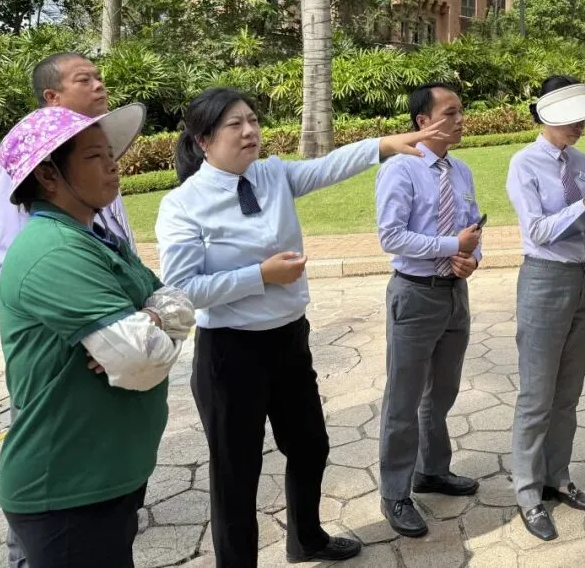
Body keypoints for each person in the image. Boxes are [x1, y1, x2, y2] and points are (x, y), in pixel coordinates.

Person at [155, 87, 445, 568]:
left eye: (252, 120)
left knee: (311, 446)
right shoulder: (183, 205)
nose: (250, 131)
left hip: (289, 340)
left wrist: (382, 146)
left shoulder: (273, 175)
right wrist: (260, 276)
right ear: (203, 140)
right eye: (234, 125)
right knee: (236, 473)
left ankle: (306, 539)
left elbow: (328, 167)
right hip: (230, 353)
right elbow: (183, 289)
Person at [0, 104, 195, 568]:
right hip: (67, 488)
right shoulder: (53, 251)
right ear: (48, 175)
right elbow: (141, 362)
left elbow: (178, 303)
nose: (112, 165)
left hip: (106, 474)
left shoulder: (98, 239)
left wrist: (149, 317)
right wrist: (150, 322)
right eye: (93, 156)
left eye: (110, 153)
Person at [0, 51, 133, 568]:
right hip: (63, 329)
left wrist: (143, 314)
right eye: (84, 79)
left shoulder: (91, 165)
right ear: (52, 97)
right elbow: (19, 259)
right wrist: (86, 323)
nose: (99, 85)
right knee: (47, 445)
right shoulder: (28, 169)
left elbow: (149, 289)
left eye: (99, 77)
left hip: (102, 314)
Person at [505, 76, 585, 541]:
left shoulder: (581, 161)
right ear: (549, 117)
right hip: (543, 279)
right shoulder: (524, 163)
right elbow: (537, 230)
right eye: (574, 119)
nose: (581, 126)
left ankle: (558, 475)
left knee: (569, 392)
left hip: (582, 277)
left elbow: (581, 227)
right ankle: (527, 491)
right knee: (537, 395)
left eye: (584, 118)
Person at [374, 83, 483, 538]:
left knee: (442, 393)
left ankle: (432, 470)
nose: (460, 120)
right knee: (404, 400)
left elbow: (474, 229)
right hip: (415, 294)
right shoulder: (401, 169)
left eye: (461, 111)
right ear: (423, 122)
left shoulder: (461, 171)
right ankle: (395, 493)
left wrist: (471, 258)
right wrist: (449, 245)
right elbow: (391, 236)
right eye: (450, 113)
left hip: (454, 295)